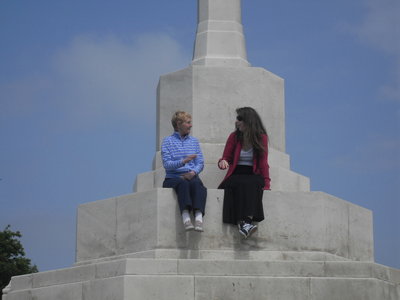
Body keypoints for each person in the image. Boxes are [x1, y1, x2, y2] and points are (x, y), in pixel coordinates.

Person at [218, 107, 271, 239]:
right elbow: (225, 157)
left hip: (253, 173)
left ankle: (244, 223)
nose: (236, 122)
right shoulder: (234, 137)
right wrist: (222, 161)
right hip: (236, 172)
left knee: (254, 183)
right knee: (239, 183)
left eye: (239, 119)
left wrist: (267, 183)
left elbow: (264, 162)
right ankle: (246, 223)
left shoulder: (261, 138)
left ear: (248, 120)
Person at [161, 111, 207, 232]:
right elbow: (167, 165)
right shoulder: (167, 141)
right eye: (188, 123)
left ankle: (198, 218)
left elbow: (200, 163)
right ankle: (186, 218)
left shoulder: (194, 141)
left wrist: (193, 173)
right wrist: (183, 161)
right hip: (173, 178)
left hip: (191, 175)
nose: (190, 125)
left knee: (197, 184)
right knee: (183, 183)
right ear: (178, 124)